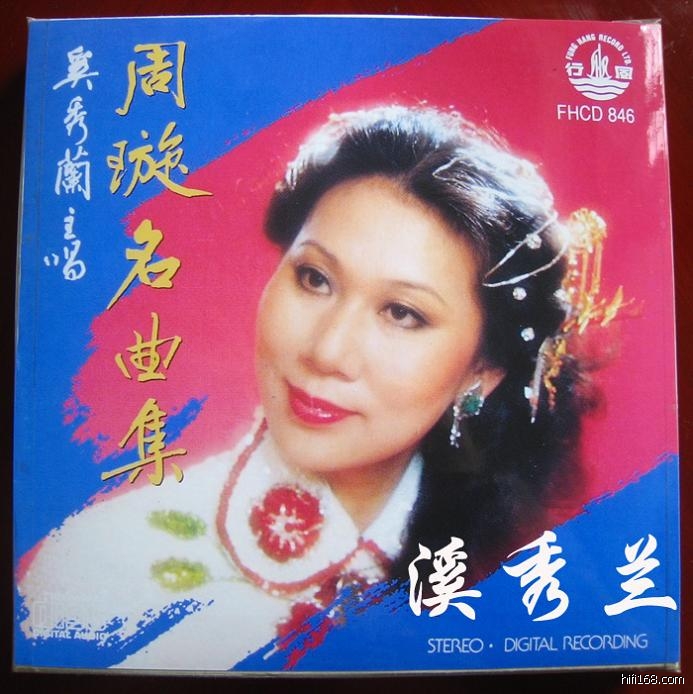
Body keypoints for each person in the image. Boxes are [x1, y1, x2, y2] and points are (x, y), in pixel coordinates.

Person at [18, 105, 594, 670]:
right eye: (315, 278)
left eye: (402, 313)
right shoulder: (101, 572)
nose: (326, 352)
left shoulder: (532, 583)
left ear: (481, 372)